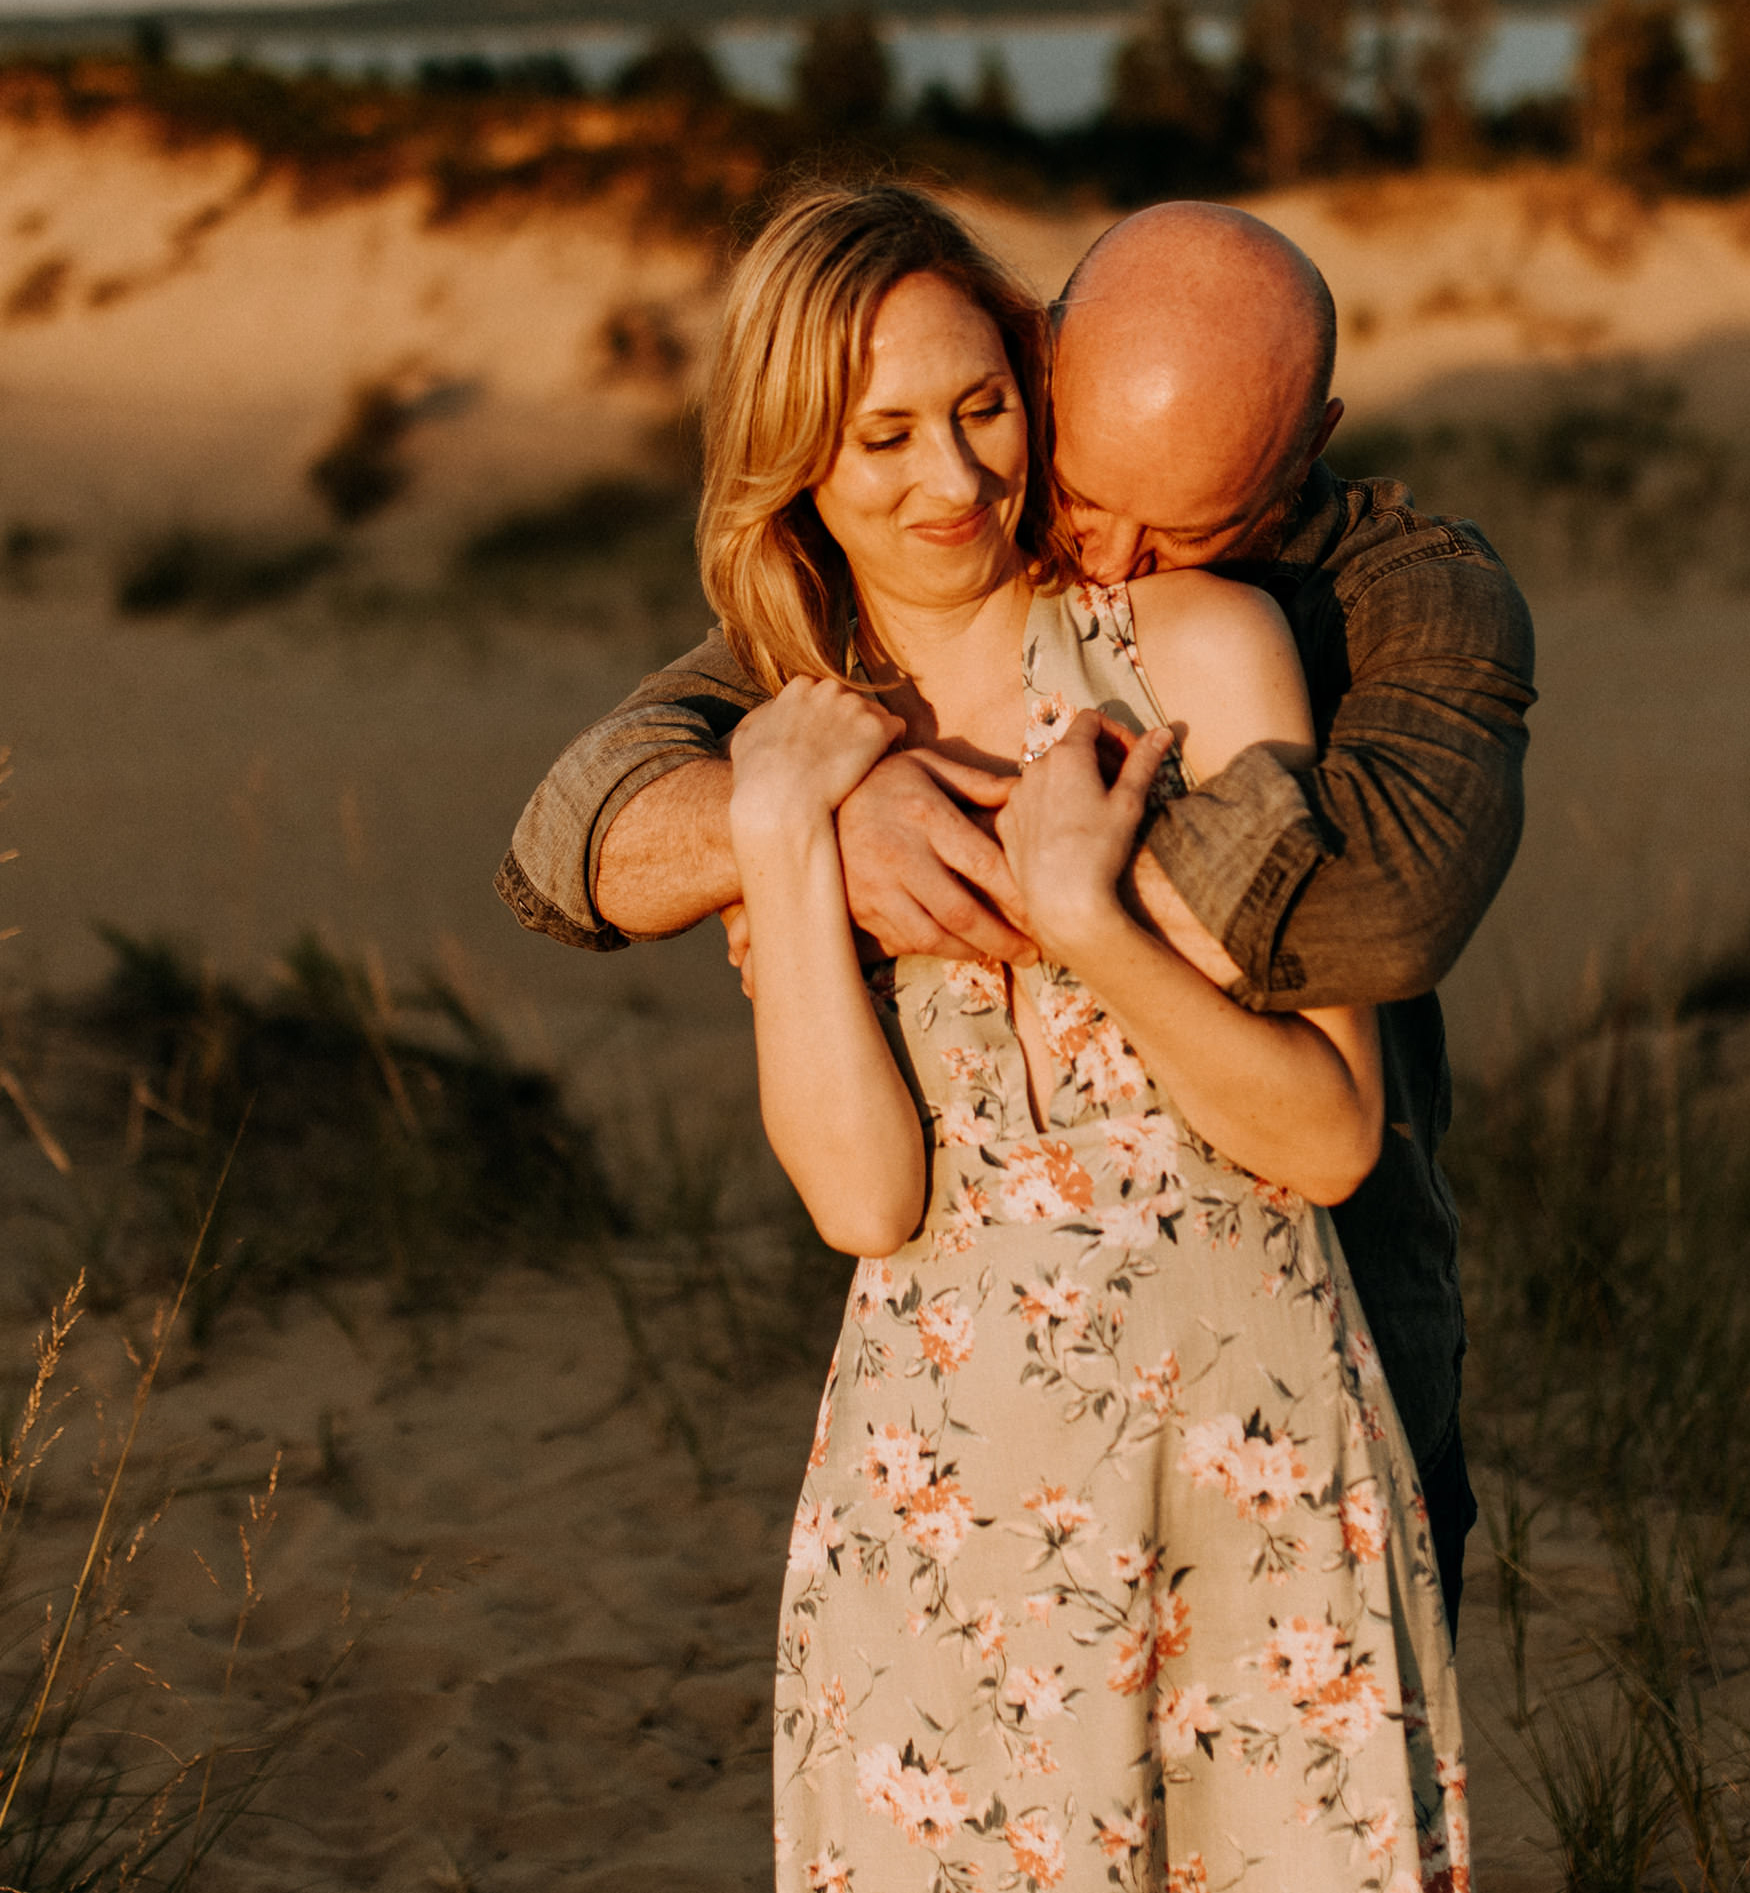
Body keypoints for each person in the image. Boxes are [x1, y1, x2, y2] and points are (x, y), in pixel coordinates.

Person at [501, 199, 1535, 1592]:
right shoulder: (862, 636)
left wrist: (1037, 868)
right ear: (1051, 362)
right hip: (966, 1476)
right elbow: (572, 833)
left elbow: (1383, 911)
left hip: (1326, 1399)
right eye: (1090, 496)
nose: (1102, 553)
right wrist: (808, 824)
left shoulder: (1396, 597)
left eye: (1185, 523)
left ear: (1311, 444)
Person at [659, 183, 1465, 1886]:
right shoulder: (803, 744)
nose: (954, 480)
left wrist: (1092, 921)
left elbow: (1329, 1134)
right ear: (795, 464)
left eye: (983, 408)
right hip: (948, 1497)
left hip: (1253, 1469)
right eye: (882, 436)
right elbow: (865, 1200)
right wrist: (783, 832)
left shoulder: (1198, 644)